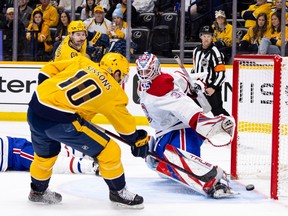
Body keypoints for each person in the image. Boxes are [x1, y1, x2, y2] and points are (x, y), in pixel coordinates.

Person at [26, 52, 149, 208]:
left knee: (45, 156)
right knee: (109, 151)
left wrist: (49, 95)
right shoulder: (114, 92)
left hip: (34, 110)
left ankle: (38, 191)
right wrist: (137, 140)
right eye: (122, 76)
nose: (121, 80)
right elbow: (125, 128)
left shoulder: (82, 61)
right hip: (61, 123)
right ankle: (118, 192)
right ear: (116, 73)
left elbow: (47, 70)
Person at [135, 52, 236, 198]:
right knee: (165, 164)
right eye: (141, 72)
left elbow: (184, 107)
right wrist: (194, 86)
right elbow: (180, 79)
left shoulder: (161, 87)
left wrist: (207, 124)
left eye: (147, 71)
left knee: (182, 161)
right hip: (165, 131)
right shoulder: (157, 84)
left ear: (156, 69)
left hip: (181, 128)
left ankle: (210, 180)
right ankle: (161, 155)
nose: (144, 75)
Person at [0, 135, 97, 174]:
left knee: (45, 163)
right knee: (49, 153)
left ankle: (91, 165)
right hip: (12, 152)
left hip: (13, 151)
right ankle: (89, 153)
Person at [192, 25, 230, 116]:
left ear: (212, 37)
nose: (206, 39)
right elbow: (195, 70)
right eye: (204, 36)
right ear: (201, 36)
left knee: (217, 113)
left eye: (208, 36)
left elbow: (221, 74)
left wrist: (213, 88)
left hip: (211, 89)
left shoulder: (215, 52)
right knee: (199, 113)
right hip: (199, 89)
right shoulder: (196, 51)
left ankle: (231, 127)